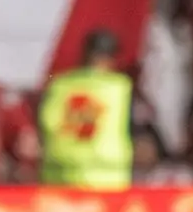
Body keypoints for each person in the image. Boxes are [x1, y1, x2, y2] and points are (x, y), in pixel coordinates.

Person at [37, 29, 136, 190]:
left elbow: (45, 124)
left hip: (60, 175)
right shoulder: (120, 87)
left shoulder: (60, 85)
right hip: (107, 178)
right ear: (112, 58)